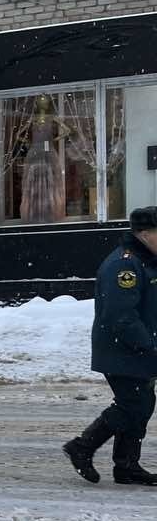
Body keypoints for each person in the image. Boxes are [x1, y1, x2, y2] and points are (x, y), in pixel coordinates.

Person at [64, 206, 157, 486]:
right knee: (134, 404)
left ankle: (127, 466)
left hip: (139, 348)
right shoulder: (124, 265)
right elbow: (120, 316)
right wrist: (148, 345)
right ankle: (82, 447)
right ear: (144, 234)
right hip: (123, 349)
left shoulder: (147, 261)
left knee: (142, 404)